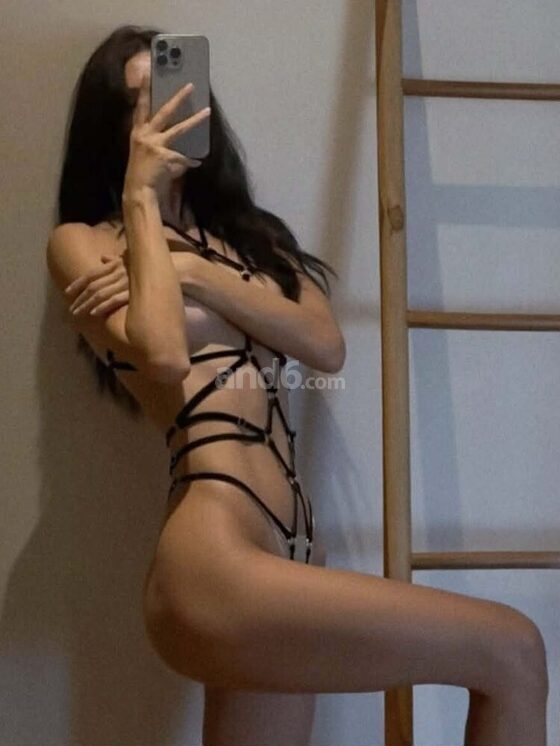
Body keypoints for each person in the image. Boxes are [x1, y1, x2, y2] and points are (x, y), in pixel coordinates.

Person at [46, 24, 548, 746]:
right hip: (215, 554)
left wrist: (193, 272)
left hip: (294, 550)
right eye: (138, 102)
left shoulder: (254, 239)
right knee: (514, 650)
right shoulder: (87, 243)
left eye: (175, 90)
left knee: (510, 654)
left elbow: (324, 344)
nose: (162, 112)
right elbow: (162, 354)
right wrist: (139, 201)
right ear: (110, 127)